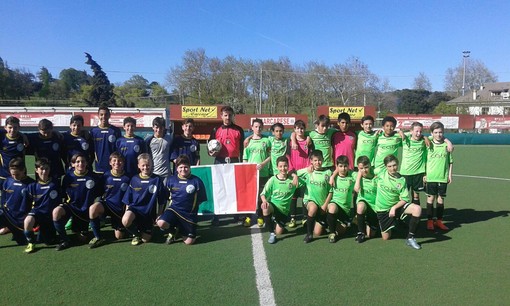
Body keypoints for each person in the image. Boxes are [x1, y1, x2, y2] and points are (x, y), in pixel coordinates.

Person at [52, 153, 102, 251]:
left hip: (87, 210)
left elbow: (99, 194)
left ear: (87, 163)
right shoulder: (68, 177)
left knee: (82, 239)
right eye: (77, 162)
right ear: (72, 164)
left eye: (83, 161)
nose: (80, 164)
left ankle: (97, 236)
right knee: (56, 212)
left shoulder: (93, 176)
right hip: (72, 208)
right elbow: (63, 194)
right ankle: (64, 240)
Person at [157, 155, 207, 245]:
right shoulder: (171, 180)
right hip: (174, 210)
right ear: (176, 168)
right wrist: (161, 213)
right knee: (161, 222)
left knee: (189, 242)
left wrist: (191, 209)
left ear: (189, 167)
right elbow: (166, 196)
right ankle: (172, 231)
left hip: (189, 215)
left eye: (185, 167)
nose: (183, 169)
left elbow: (201, 199)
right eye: (180, 167)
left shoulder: (197, 181)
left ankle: (180, 228)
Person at [374, 155, 422, 250]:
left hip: (395, 207)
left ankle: (410, 238)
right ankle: (395, 223)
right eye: (390, 166)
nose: (393, 168)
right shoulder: (380, 172)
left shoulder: (402, 180)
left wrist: (394, 208)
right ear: (385, 166)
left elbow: (405, 199)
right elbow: (363, 171)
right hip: (382, 210)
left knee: (417, 209)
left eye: (394, 165)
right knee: (386, 238)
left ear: (398, 164)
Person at [208, 106, 244, 225]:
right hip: (219, 161)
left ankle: (236, 214)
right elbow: (210, 148)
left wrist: (242, 162)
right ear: (221, 116)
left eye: (229, 115)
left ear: (233, 115)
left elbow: (242, 148)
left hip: (234, 161)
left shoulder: (239, 129)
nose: (228, 117)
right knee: (219, 188)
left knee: (234, 188)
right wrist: (211, 153)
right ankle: (217, 215)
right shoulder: (215, 129)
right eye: (225, 115)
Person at [122, 153, 167, 246]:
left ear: (151, 165)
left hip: (148, 213)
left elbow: (162, 200)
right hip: (135, 210)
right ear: (138, 166)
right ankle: (136, 234)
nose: (145, 167)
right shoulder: (134, 179)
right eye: (143, 165)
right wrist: (127, 212)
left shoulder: (157, 179)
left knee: (146, 239)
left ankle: (147, 229)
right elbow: (128, 198)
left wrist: (159, 214)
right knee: (125, 220)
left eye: (148, 165)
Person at [88, 152, 131, 247]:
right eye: (114, 160)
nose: (117, 163)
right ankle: (98, 237)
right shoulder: (106, 176)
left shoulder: (128, 177)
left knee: (119, 236)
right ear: (110, 163)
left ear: (123, 162)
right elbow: (98, 192)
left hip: (120, 210)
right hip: (107, 205)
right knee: (93, 208)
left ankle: (126, 227)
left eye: (119, 161)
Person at [260, 156, 301, 244]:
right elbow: (263, 194)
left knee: (279, 232)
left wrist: (295, 175)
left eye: (285, 166)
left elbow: (305, 175)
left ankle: (278, 223)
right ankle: (272, 233)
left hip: (284, 211)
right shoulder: (273, 180)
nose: (283, 168)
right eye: (281, 166)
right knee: (265, 207)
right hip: (274, 206)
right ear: (277, 167)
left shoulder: (292, 180)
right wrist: (264, 201)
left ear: (288, 166)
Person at [24, 158, 61, 253]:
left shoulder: (55, 183)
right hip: (38, 214)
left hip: (51, 216)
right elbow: (27, 204)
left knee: (49, 242)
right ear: (36, 170)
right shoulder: (32, 186)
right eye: (41, 169)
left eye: (46, 169)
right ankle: (31, 242)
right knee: (28, 220)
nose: (44, 171)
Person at [297, 150, 332, 243]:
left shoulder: (328, 173)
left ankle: (318, 223)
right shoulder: (308, 171)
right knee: (312, 208)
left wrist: (325, 205)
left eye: (320, 160)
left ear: (323, 160)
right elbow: (294, 174)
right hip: (310, 200)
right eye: (315, 160)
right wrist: (306, 169)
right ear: (311, 161)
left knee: (318, 232)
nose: (318, 162)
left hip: (323, 204)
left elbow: (331, 191)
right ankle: (309, 234)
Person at [424, 121, 454, 231]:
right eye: (435, 132)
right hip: (431, 177)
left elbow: (450, 162)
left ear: (443, 132)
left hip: (443, 177)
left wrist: (450, 175)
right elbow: (424, 161)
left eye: (440, 132)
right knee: (430, 199)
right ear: (431, 133)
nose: (438, 134)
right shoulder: (428, 145)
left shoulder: (446, 146)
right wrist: (425, 174)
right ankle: (430, 221)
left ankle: (439, 221)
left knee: (440, 200)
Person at [242, 118, 271, 227]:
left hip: (263, 173)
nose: (258, 129)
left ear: (262, 128)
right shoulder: (248, 142)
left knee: (261, 195)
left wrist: (263, 164)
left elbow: (270, 156)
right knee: (250, 195)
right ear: (252, 128)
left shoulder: (267, 140)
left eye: (260, 127)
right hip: (250, 174)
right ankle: (248, 217)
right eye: (256, 127)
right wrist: (247, 169)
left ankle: (260, 216)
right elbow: (245, 158)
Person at [0, 158, 35, 245]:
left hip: (20, 221)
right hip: (7, 216)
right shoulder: (8, 181)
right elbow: (3, 199)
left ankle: (11, 230)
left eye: (17, 174)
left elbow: (36, 205)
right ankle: (6, 227)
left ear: (23, 170)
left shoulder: (32, 185)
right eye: (12, 174)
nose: (15, 177)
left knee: (22, 242)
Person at [324, 155, 356, 243]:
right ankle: (332, 233)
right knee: (332, 208)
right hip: (335, 204)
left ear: (348, 166)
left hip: (345, 210)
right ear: (336, 167)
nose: (343, 168)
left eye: (345, 166)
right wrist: (333, 175)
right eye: (340, 166)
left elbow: (360, 173)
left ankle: (333, 222)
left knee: (342, 231)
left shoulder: (351, 176)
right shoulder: (333, 177)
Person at [287, 120, 312, 228]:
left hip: (305, 174)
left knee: (304, 196)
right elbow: (288, 157)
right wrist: (292, 172)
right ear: (294, 129)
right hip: (294, 173)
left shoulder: (309, 142)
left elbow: (311, 157)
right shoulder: (291, 142)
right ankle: (292, 218)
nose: (300, 130)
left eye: (302, 128)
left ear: (304, 129)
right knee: (293, 196)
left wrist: (309, 168)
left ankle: (305, 217)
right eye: (297, 128)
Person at [400, 122, 428, 205]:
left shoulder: (423, 141)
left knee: (416, 195)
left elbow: (437, 137)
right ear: (411, 131)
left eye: (420, 132)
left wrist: (425, 137)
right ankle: (399, 214)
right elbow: (398, 131)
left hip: (418, 173)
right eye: (416, 131)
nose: (419, 134)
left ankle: (416, 216)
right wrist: (401, 132)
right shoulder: (405, 139)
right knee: (402, 196)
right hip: (405, 172)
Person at [353, 156, 378, 243]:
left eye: (366, 167)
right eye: (361, 168)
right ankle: (361, 233)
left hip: (374, 208)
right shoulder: (356, 176)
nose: (364, 170)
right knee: (360, 206)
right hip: (363, 203)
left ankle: (366, 222)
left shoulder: (376, 175)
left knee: (372, 234)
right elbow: (341, 171)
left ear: (370, 165)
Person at [89, 105, 121, 174]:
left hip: (113, 167)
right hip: (99, 166)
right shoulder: (93, 131)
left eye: (106, 114)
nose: (104, 117)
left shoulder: (115, 130)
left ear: (109, 115)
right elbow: (91, 150)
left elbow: (118, 150)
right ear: (98, 116)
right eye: (101, 115)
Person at [145, 117, 173, 181]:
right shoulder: (148, 140)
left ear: (164, 128)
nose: (158, 130)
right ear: (153, 128)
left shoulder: (169, 139)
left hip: (166, 174)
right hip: (153, 173)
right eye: (156, 127)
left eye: (161, 127)